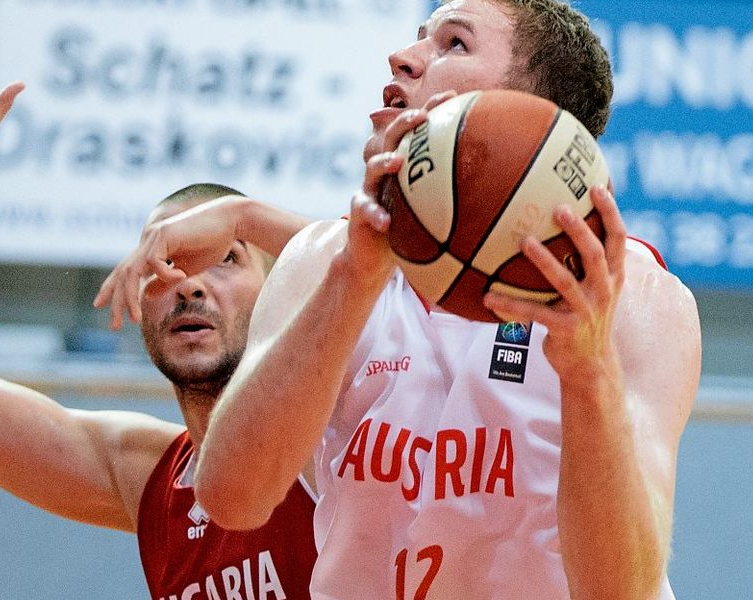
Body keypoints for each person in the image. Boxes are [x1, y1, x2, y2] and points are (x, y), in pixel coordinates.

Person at [101, 0, 702, 598]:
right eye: (419, 37)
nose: (403, 57)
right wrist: (353, 279)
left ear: (529, 113)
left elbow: (622, 589)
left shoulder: (638, 299)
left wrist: (587, 372)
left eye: (453, 44)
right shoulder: (322, 260)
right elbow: (233, 497)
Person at [0, 21, 318, 600]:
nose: (188, 285)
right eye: (163, 263)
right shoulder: (148, 476)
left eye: (225, 259)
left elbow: (389, 269)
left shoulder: (343, 434)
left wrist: (245, 215)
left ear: (278, 290)